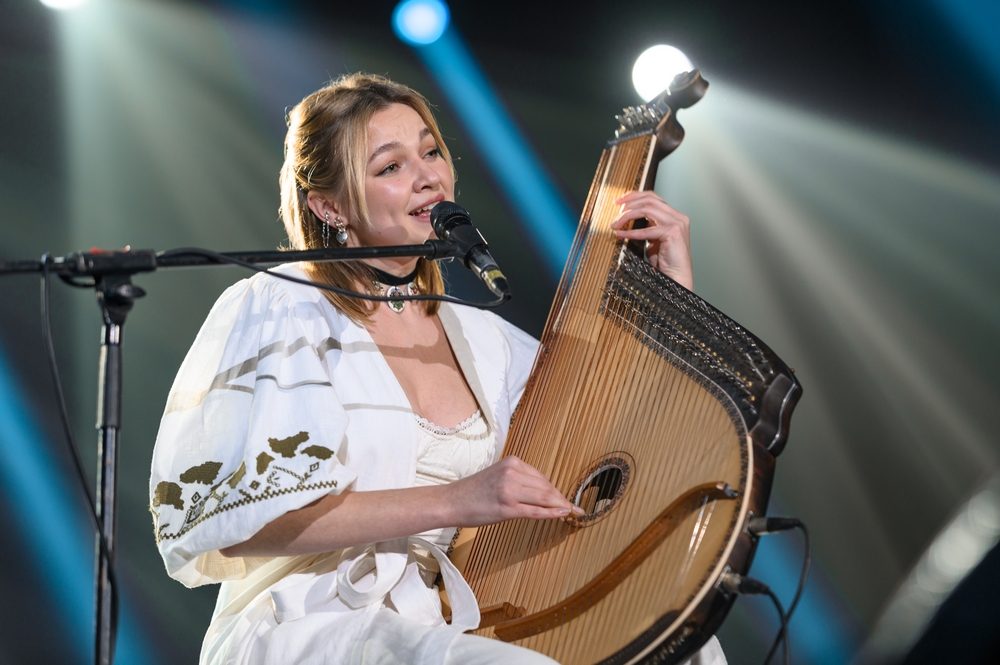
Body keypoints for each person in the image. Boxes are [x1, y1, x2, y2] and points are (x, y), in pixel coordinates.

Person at [149, 73, 724, 665]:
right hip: (314, 619)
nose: (427, 176)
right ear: (329, 206)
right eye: (390, 166)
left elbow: (610, 436)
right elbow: (238, 525)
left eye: (431, 152)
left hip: (464, 614)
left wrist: (671, 290)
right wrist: (456, 500)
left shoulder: (487, 339)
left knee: (689, 645)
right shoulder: (284, 304)